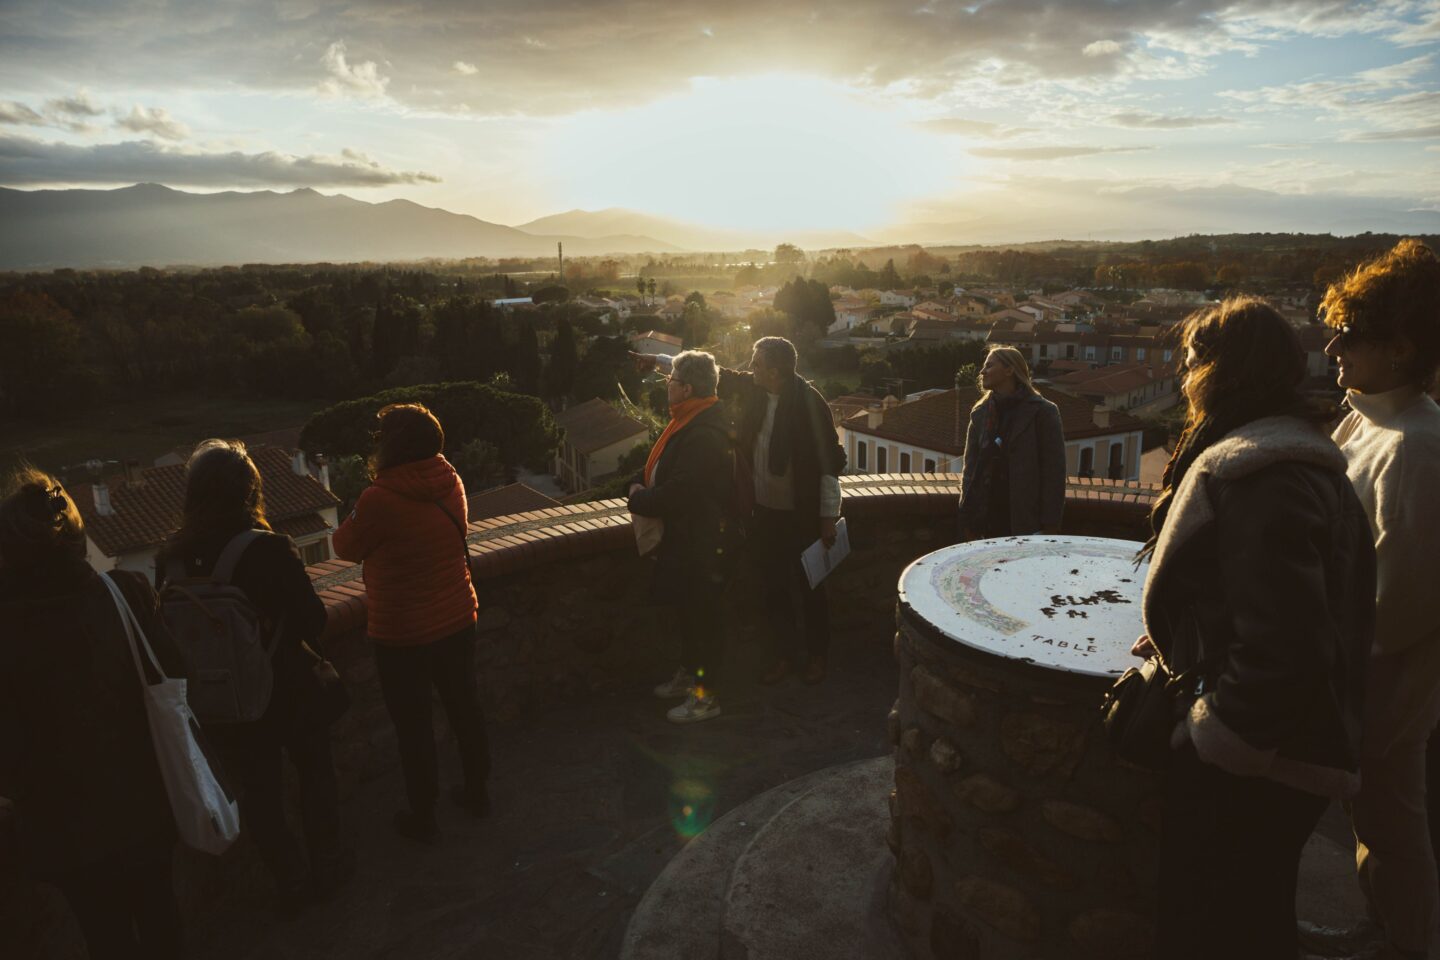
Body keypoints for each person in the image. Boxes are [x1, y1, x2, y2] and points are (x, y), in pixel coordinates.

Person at [1132, 297, 1374, 960]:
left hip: (1256, 765)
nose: (1184, 379)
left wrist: (1212, 734)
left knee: (1216, 926)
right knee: (1255, 914)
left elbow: (1285, 647)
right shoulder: (1290, 455)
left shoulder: (1259, 473)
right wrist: (1180, 633)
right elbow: (1256, 598)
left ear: (1219, 371)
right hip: (1285, 753)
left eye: (1191, 364)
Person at [1306, 239, 1440, 960]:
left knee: (1393, 825)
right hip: (1354, 677)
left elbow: (1406, 603)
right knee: (1376, 823)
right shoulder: (1365, 418)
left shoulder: (1419, 447)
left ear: (1401, 346)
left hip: (1383, 688)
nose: (1333, 345)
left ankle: (1410, 944)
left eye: (1351, 335)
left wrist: (1320, 653)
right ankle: (1379, 927)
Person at [156, 439, 351, 911]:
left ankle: (291, 884)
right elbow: (313, 620)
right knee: (315, 775)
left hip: (225, 704)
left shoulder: (170, 561)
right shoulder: (268, 549)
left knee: (260, 796)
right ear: (250, 490)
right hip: (288, 689)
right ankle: (328, 869)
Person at [0, 469, 184, 959]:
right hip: (143, 799)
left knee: (105, 937)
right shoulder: (124, 592)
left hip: (63, 825)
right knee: (161, 917)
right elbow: (172, 674)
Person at [634, 336, 846, 686]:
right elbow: (716, 373)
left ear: (774, 371)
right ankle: (782, 655)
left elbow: (829, 463)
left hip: (802, 514)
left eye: (757, 363)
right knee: (773, 587)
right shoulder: (756, 391)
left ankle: (816, 656)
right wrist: (658, 359)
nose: (751, 368)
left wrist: (827, 518)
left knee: (811, 587)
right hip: (764, 513)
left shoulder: (810, 404)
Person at [332, 403, 488, 842]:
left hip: (403, 633)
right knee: (465, 708)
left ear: (393, 445)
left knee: (413, 727)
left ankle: (424, 816)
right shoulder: (450, 479)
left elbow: (343, 546)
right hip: (458, 616)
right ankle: (478, 792)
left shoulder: (377, 499)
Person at [628, 350, 736, 724]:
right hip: (692, 540)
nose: (666, 387)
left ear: (686, 388)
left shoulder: (703, 432)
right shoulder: (697, 417)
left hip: (702, 544)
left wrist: (638, 499)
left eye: (670, 381)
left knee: (704, 621)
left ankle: (707, 698)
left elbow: (681, 492)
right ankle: (689, 677)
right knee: (691, 617)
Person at [957, 346, 1066, 540]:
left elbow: (1054, 473)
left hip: (1025, 519)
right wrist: (967, 516)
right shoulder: (980, 413)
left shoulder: (1043, 412)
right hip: (986, 517)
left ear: (1009, 370)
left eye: (989, 366)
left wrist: (1050, 524)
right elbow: (970, 470)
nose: (982, 372)